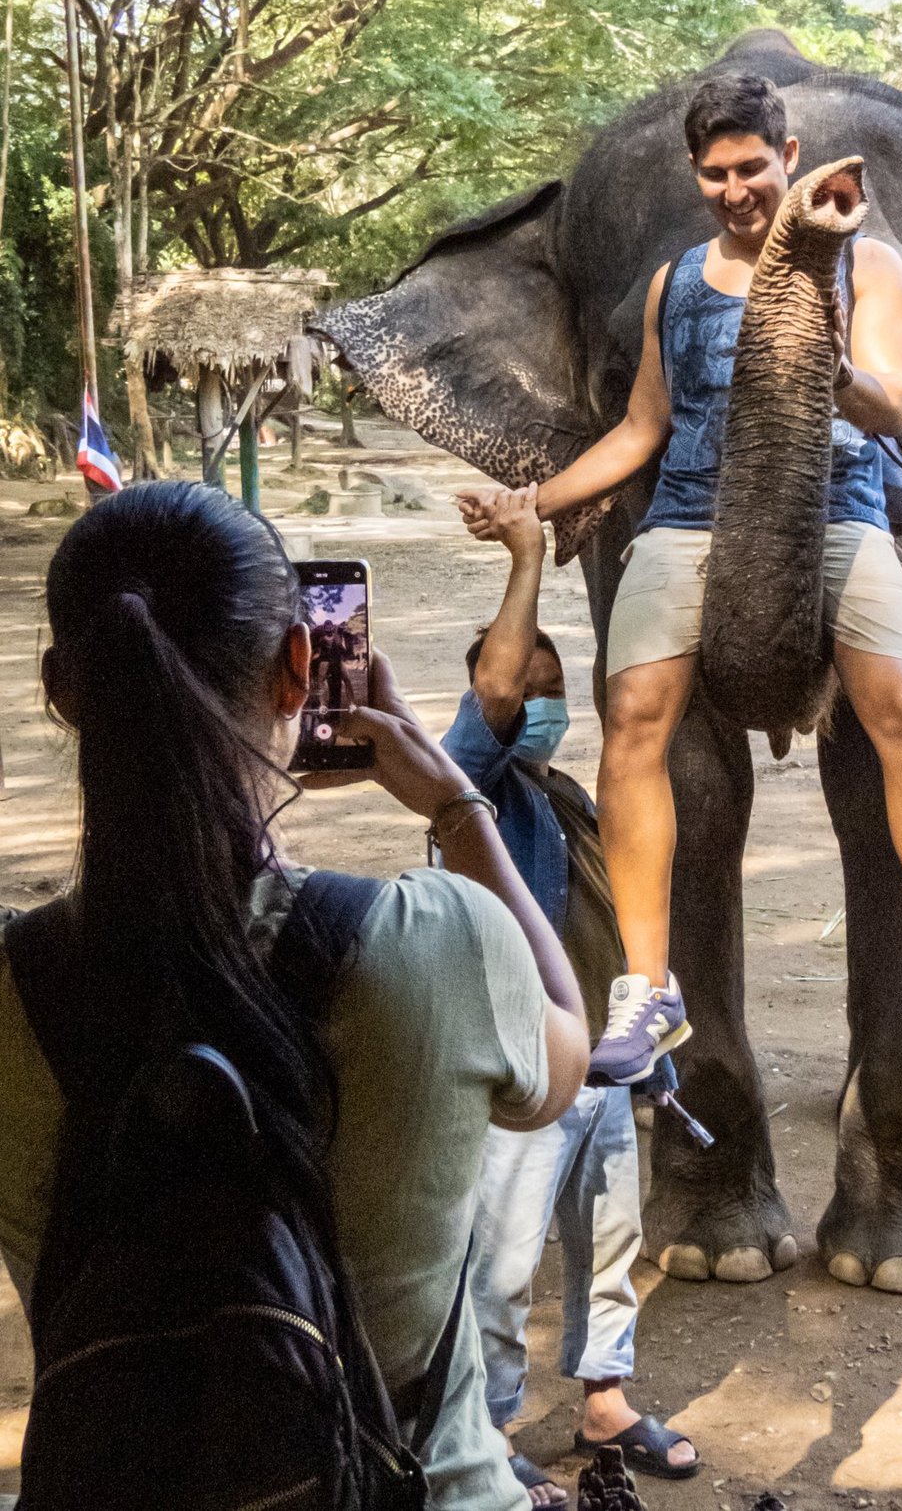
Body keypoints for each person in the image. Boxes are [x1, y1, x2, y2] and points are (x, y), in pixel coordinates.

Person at [0, 480, 590, 1511]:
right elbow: (562, 1058)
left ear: (62, 689)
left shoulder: (10, 990)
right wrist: (457, 805)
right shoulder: (436, 940)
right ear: (297, 671)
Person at [460, 73, 902, 1083]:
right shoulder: (673, 286)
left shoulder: (873, 268)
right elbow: (639, 426)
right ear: (696, 177)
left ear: (788, 160)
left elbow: (893, 405)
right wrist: (533, 503)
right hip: (686, 522)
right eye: (714, 174)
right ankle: (645, 986)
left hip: (841, 512)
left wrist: (813, 349)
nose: (734, 189)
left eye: (750, 168)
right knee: (635, 718)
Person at [444, 484, 698, 1506]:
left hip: (601, 1062)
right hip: (521, 1071)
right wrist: (523, 563)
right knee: (501, 1265)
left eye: (557, 683)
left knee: (610, 1250)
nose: (537, 698)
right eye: (524, 684)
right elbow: (495, 696)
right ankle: (488, 1426)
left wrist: (655, 1060)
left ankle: (604, 1397)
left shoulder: (576, 801)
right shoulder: (472, 789)